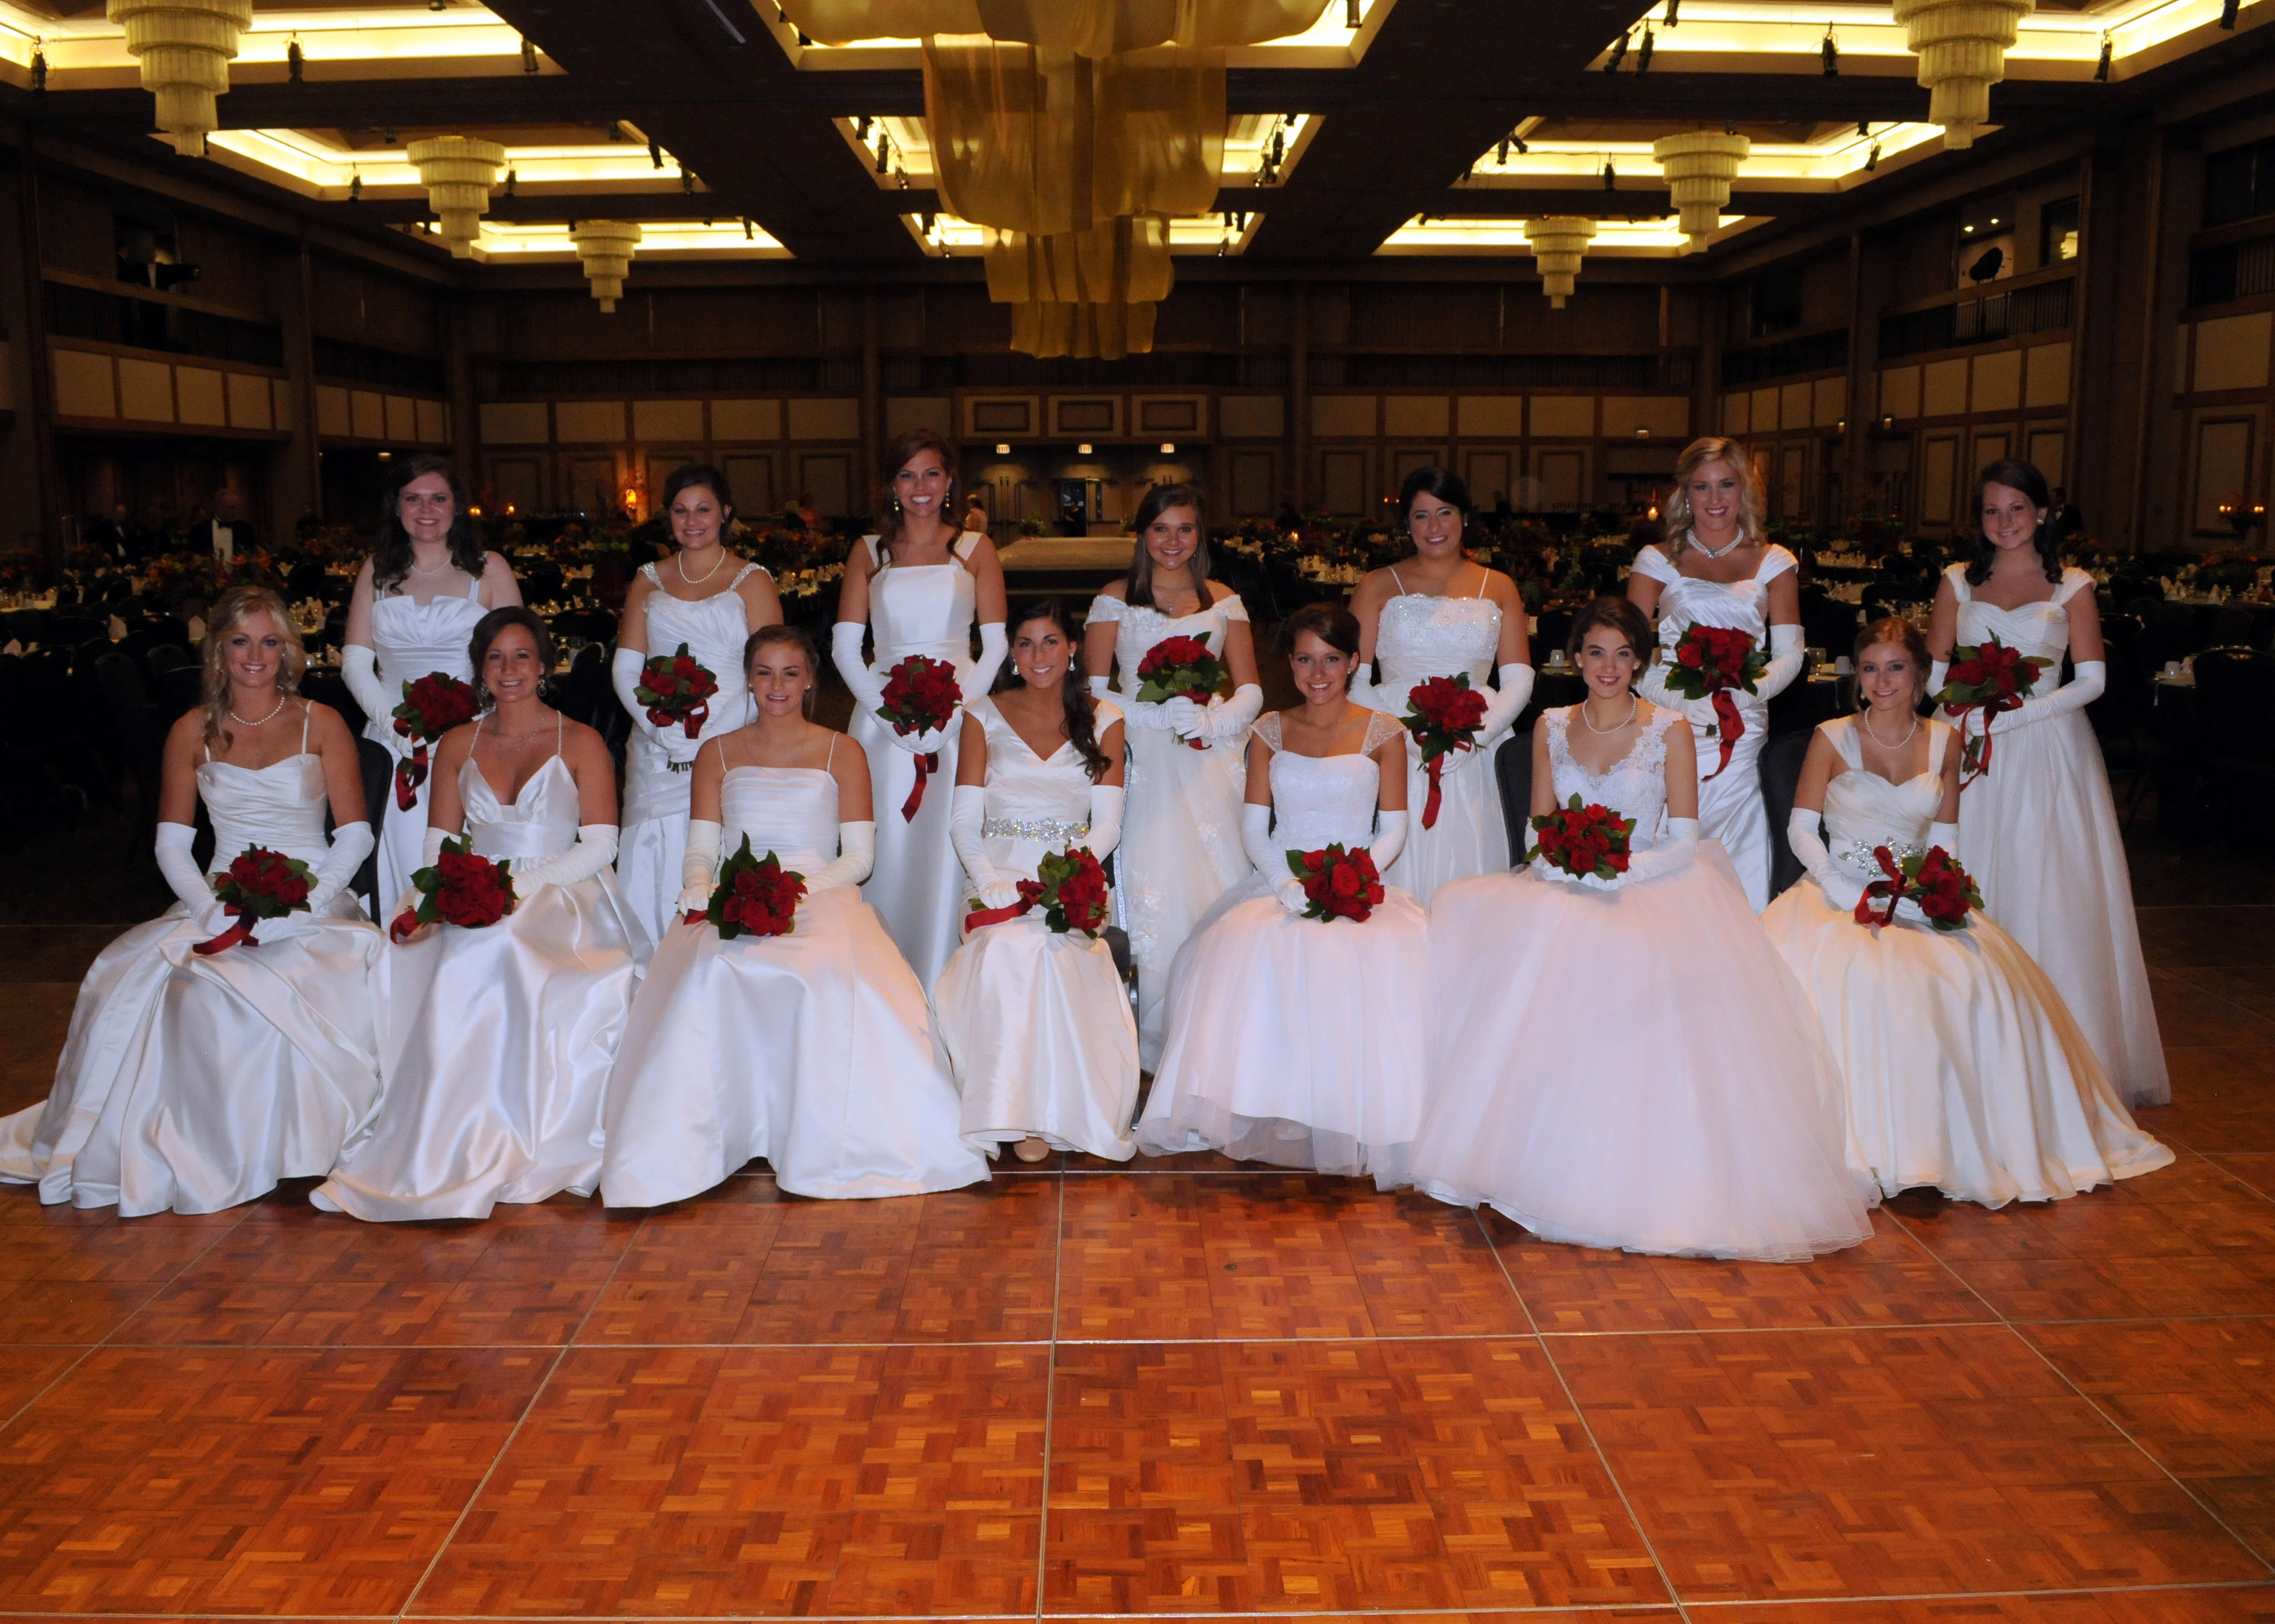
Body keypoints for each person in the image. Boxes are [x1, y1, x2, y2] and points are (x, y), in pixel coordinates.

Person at [1408, 597, 1874, 1261]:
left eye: (1624, 653)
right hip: (1563, 883)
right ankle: (1537, 1162)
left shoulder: (1671, 728)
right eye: (1596, 652)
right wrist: (1566, 861)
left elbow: (1684, 839)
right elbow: (1537, 828)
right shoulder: (1549, 724)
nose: (1609, 666)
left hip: (1651, 884)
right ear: (1575, 657)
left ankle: (1644, 1176)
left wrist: (1617, 872)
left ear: (1642, 661)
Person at [1762, 618, 2172, 1205]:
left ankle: (1955, 1145)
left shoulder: (1944, 740)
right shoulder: (1831, 736)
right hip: (1838, 889)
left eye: (1896, 667)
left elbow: (1946, 836)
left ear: (1921, 675)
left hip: (1918, 891)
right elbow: (1802, 829)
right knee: (1866, 979)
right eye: (1872, 668)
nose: (1883, 681)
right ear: (1858, 677)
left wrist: (1934, 886)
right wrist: (1835, 883)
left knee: (1967, 981)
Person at [0, 589, 381, 1215]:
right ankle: (208, 1153)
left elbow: (355, 834)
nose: (254, 655)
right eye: (240, 641)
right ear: (219, 651)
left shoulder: (322, 721)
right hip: (221, 901)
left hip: (315, 898)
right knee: (188, 990)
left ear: (287, 650)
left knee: (310, 974)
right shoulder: (190, 730)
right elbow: (173, 846)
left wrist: (308, 905)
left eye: (268, 641)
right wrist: (211, 913)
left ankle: (304, 1142)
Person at [602, 626, 986, 1204]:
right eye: (763, 672)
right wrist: (702, 884)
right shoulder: (718, 752)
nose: (775, 686)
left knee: (824, 974)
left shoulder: (842, 750)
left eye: (788, 673)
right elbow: (703, 848)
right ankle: (711, 1137)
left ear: (808, 680)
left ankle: (821, 1134)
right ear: (748, 680)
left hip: (818, 891)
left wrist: (793, 888)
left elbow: (858, 858)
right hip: (739, 892)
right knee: (711, 972)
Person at [315, 609, 642, 1221]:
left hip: (565, 889)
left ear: (544, 666)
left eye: (522, 657)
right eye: (496, 658)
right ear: (480, 670)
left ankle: (519, 1133)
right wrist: (440, 895)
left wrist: (522, 883)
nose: (509, 670)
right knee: (418, 948)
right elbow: (439, 844)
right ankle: (447, 1131)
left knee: (507, 946)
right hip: (473, 884)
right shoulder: (459, 742)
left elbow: (600, 843)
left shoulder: (582, 740)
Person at [1136, 603, 1430, 1188]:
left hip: (1357, 881)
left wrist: (1354, 880)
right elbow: (1253, 828)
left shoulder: (1385, 732)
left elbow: (1393, 828)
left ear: (1351, 662)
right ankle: (1276, 1107)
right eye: (1303, 659)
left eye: (1330, 659)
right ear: (1289, 664)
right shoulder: (1268, 729)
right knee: (1243, 948)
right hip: (1282, 878)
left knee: (1361, 962)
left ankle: (1347, 1113)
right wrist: (1286, 884)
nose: (1317, 673)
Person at [1927, 458, 2168, 1108]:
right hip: (1971, 742)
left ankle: (2053, 1053)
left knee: (2045, 885)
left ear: (2041, 513)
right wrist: (1964, 706)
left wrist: (2018, 714)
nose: (2004, 522)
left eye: (2016, 509)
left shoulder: (2072, 586)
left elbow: (2091, 680)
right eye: (1990, 511)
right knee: (1967, 875)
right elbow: (1932, 672)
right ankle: (1969, 1043)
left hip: (2046, 750)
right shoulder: (1956, 580)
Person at [938, 601, 1135, 1164]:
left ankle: (1052, 1111)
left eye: (1050, 641)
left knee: (1052, 951)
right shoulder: (982, 714)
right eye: (1025, 644)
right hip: (998, 875)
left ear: (1072, 648)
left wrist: (1065, 878)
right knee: (1005, 950)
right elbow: (962, 822)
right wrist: (989, 879)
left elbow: (1108, 826)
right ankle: (1010, 1108)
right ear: (1012, 656)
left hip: (1071, 879)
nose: (1038, 655)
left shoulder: (1106, 717)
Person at [1081, 483, 1262, 1066]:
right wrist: (1148, 713)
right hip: (1141, 752)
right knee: (1152, 872)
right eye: (1161, 529)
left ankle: (1221, 1023)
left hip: (1207, 752)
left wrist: (1214, 716)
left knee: (1220, 874)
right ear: (1142, 534)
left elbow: (1252, 688)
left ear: (1199, 535)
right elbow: (1091, 689)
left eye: (1185, 528)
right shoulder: (1115, 599)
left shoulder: (1225, 599)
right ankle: (1154, 1027)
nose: (1172, 541)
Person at [831, 429, 1008, 988]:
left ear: (950, 480)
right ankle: (880, 981)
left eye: (931, 473)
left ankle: (945, 981)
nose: (920, 487)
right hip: (882, 722)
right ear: (891, 485)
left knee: (948, 845)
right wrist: (889, 717)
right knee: (885, 841)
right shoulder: (869, 551)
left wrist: (952, 714)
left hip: (957, 720)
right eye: (907, 475)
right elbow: (844, 647)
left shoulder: (975, 549)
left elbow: (996, 644)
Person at [1626, 437, 1804, 912]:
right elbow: (1628, 650)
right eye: (1701, 486)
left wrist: (1744, 695)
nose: (1715, 499)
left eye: (1726, 484)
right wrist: (1683, 702)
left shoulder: (1774, 560)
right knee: (1668, 845)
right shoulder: (1656, 559)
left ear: (1744, 489)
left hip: (1743, 732)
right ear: (1684, 493)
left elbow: (1790, 654)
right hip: (1672, 723)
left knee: (1740, 853)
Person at [611, 464, 783, 944]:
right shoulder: (648, 578)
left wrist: (712, 738)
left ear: (725, 512)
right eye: (681, 511)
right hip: (655, 742)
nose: (692, 520)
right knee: (653, 847)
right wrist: (657, 728)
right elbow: (626, 667)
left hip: (732, 732)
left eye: (703, 509)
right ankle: (650, 967)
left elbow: (768, 671)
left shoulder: (752, 580)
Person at [340, 454, 522, 909]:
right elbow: (356, 663)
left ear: (456, 506)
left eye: (438, 498)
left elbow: (516, 659)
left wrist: (474, 725)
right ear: (396, 507)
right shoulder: (376, 571)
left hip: (476, 733)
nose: (427, 510)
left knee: (471, 858)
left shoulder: (490, 569)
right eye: (413, 499)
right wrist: (396, 726)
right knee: (400, 856)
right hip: (392, 738)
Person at [1350, 466, 1533, 903]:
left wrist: (1479, 737)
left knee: (1473, 847)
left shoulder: (1500, 585)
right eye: (1420, 516)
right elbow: (1353, 676)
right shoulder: (1377, 584)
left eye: (1445, 512)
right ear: (1406, 523)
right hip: (1395, 732)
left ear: (1465, 517)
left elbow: (1519, 677)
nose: (1434, 528)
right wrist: (1401, 736)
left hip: (1477, 734)